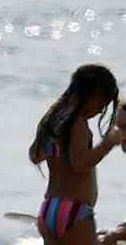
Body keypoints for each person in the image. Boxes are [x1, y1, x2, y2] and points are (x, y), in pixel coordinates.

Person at [27, 66, 123, 245]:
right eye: (102, 104)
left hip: (50, 209)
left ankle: (108, 237)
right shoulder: (78, 124)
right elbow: (79, 163)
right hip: (74, 211)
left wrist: (56, 148)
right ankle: (110, 238)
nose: (101, 111)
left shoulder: (53, 120)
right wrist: (107, 144)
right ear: (92, 94)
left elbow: (35, 155)